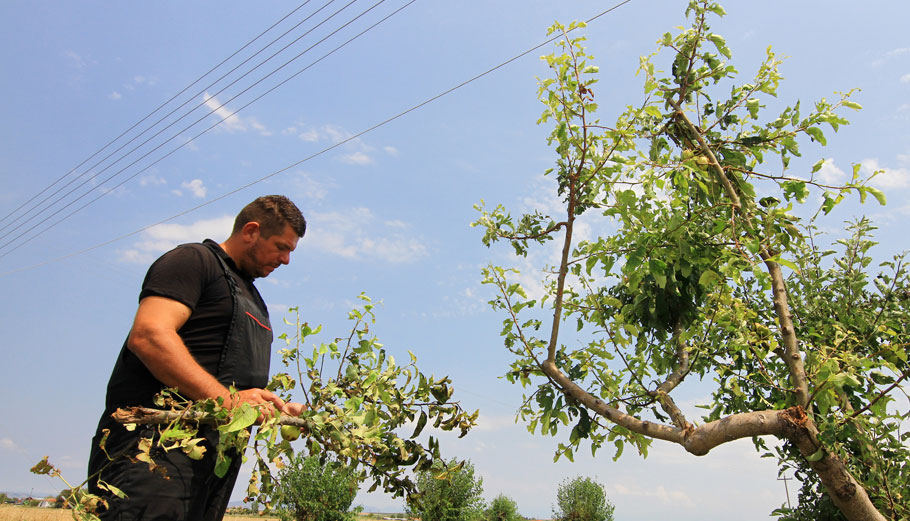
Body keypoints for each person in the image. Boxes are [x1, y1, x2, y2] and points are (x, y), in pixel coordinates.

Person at [87, 195, 307, 521]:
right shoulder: (193, 261)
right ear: (251, 231)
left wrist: (276, 411)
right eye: (281, 246)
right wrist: (228, 401)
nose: (286, 259)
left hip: (212, 464)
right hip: (154, 454)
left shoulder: (253, 297)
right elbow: (150, 335)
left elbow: (233, 381)